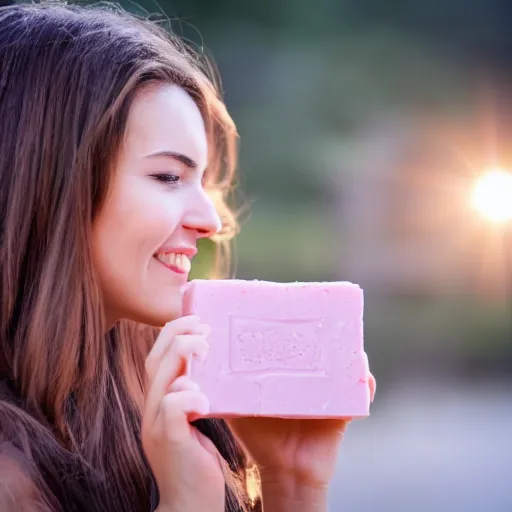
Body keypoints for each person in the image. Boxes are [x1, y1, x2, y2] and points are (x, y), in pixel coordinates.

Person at [0, 3, 376, 512]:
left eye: (201, 179)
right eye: (168, 177)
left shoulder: (152, 420)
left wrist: (291, 482)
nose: (211, 221)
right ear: (48, 184)